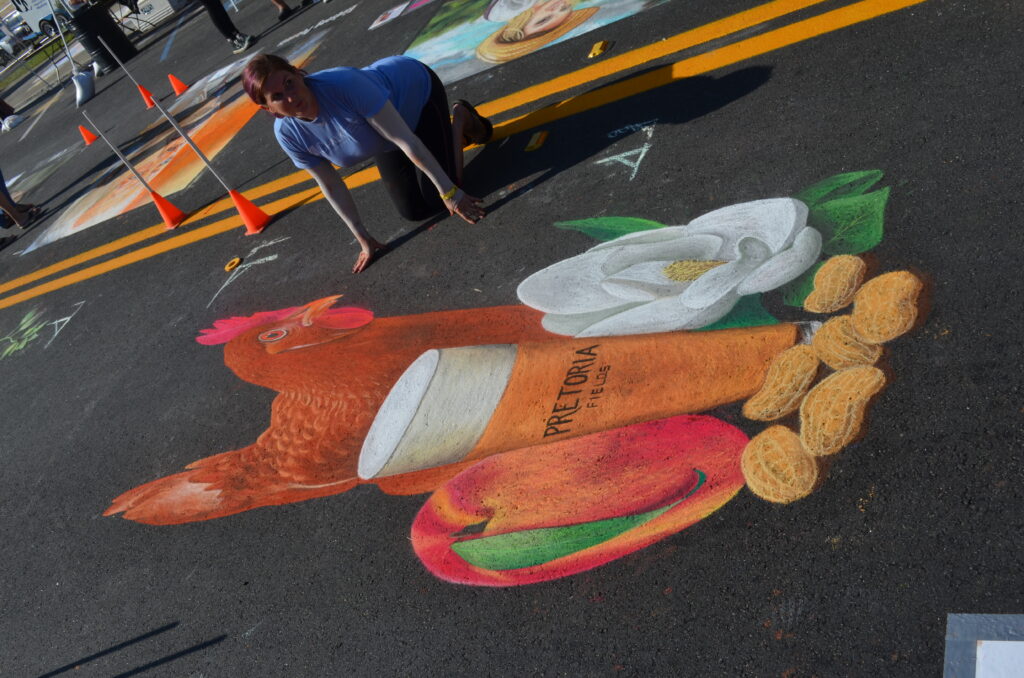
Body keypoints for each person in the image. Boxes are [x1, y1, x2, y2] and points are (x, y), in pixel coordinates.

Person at [242, 54, 493, 273]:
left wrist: (449, 192)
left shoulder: (344, 85)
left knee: (443, 194)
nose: (291, 96)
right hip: (384, 136)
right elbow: (330, 184)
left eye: (290, 83)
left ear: (299, 74)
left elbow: (406, 141)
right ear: (269, 109)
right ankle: (446, 145)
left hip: (415, 95)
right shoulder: (288, 134)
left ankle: (460, 120)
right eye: (277, 96)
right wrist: (362, 237)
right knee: (413, 211)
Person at [476, 0, 598, 63]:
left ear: (519, 26)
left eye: (543, 20)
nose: (556, 7)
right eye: (564, 8)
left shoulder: (510, 8)